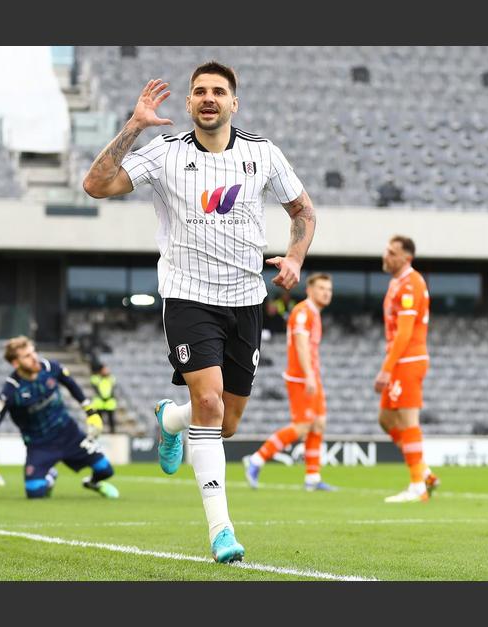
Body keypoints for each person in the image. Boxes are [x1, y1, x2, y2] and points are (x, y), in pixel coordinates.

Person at [82, 61, 316, 563]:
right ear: (188, 104)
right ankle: (222, 532)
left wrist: (295, 256)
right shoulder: (163, 153)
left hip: (246, 301)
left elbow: (303, 210)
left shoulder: (263, 153)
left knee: (226, 422)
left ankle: (171, 421)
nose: (209, 98)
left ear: (234, 102)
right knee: (209, 406)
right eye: (199, 92)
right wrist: (133, 125)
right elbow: (96, 185)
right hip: (188, 297)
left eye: (218, 92)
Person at [0, 336, 117, 500]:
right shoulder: (11, 391)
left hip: (68, 434)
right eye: (27, 356)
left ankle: (93, 483)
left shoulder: (50, 367)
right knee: (35, 492)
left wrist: (90, 411)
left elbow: (72, 385)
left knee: (105, 470)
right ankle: (50, 475)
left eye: (33, 352)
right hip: (39, 445)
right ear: (16, 363)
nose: (34, 358)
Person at [243, 273, 336, 491]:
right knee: (302, 426)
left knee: (319, 422)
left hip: (311, 375)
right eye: (321, 288)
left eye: (329, 289)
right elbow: (301, 345)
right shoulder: (303, 312)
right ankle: (256, 459)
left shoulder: (313, 313)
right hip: (301, 376)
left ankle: (312, 478)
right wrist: (309, 375)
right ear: (309, 290)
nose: (326, 292)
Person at [374, 236, 439, 503]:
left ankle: (417, 486)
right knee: (386, 419)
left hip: (407, 360)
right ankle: (423, 471)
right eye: (386, 250)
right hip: (400, 359)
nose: (386, 255)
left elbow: (404, 332)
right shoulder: (396, 283)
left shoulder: (411, 283)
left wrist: (387, 368)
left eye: (392, 252)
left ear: (406, 258)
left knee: (408, 421)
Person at [90, 363, 118, 434]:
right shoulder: (96, 378)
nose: (106, 370)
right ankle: (98, 432)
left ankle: (112, 433)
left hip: (109, 402)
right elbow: (94, 385)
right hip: (99, 403)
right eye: (104, 369)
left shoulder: (111, 378)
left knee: (111, 419)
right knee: (99, 420)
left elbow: (113, 387)